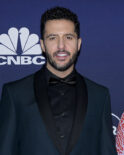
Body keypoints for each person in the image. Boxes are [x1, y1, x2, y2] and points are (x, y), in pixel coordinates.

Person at [0, 6, 116, 155]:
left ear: (78, 43)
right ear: (42, 45)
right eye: (52, 38)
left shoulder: (100, 95)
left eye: (68, 37)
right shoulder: (15, 94)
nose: (61, 46)